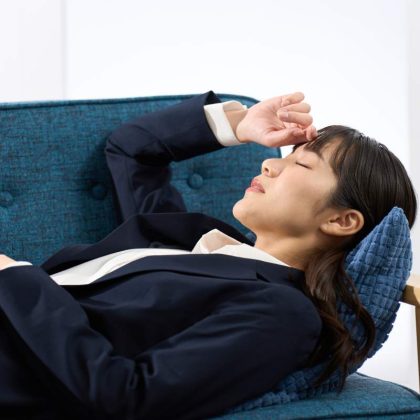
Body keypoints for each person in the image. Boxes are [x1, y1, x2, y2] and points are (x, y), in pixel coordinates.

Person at [0, 90, 416, 420]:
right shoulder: (196, 237)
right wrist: (239, 125)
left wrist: (15, 275)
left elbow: (124, 396)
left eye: (302, 167)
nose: (269, 166)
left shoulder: (282, 313)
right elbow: (132, 150)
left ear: (342, 221)